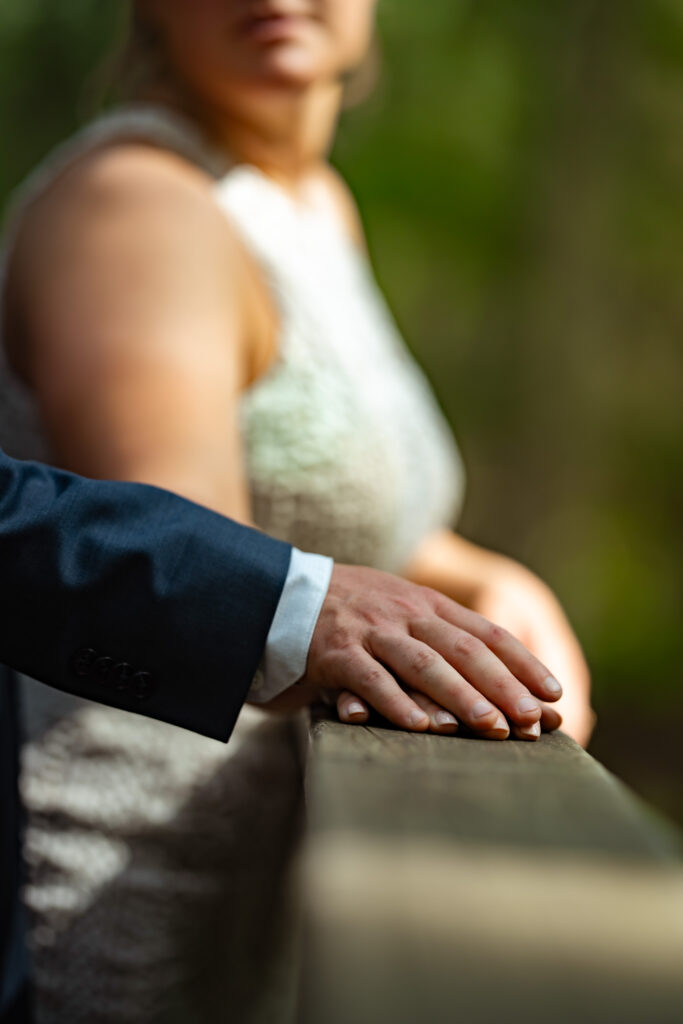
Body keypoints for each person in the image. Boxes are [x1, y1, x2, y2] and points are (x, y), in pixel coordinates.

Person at [0, 0, 594, 1019]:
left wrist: (482, 576)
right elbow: (190, 561)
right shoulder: (134, 207)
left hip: (270, 874)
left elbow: (345, 523)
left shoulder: (313, 205)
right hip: (124, 876)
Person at [0, 448, 563, 1023]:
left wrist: (480, 577)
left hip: (279, 842)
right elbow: (171, 505)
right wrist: (293, 610)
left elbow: (374, 516)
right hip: (150, 825)